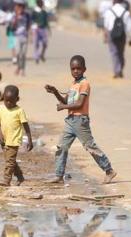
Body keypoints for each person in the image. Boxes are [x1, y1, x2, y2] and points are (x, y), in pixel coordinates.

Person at [44, 55, 117, 184]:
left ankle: (109, 170)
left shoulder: (84, 84)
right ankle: (59, 175)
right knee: (62, 147)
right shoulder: (73, 84)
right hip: (70, 120)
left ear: (84, 69)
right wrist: (55, 92)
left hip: (80, 121)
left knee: (90, 146)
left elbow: (79, 104)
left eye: (78, 68)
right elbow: (65, 100)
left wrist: (63, 107)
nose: (76, 71)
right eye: (73, 69)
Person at [0, 85, 34, 187]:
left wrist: (30, 140)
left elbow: (26, 126)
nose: (8, 103)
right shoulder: (1, 109)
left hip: (14, 140)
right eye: (6, 100)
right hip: (4, 140)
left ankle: (6, 180)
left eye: (11, 101)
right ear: (3, 97)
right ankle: (20, 176)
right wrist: (0, 134)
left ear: (17, 99)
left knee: (9, 162)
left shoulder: (19, 111)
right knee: (10, 160)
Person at [103, 0, 131, 78]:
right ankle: (120, 68)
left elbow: (106, 25)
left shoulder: (109, 11)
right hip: (122, 34)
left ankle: (117, 70)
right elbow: (129, 28)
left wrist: (105, 36)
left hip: (111, 34)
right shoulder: (126, 12)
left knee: (114, 53)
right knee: (121, 52)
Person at [11, 0, 31, 75]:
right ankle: (18, 67)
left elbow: (29, 26)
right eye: (18, 6)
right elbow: (12, 26)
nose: (20, 8)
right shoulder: (14, 15)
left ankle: (23, 69)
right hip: (17, 36)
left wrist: (30, 36)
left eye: (21, 6)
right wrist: (16, 17)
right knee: (18, 53)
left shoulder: (27, 15)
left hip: (25, 36)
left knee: (23, 54)